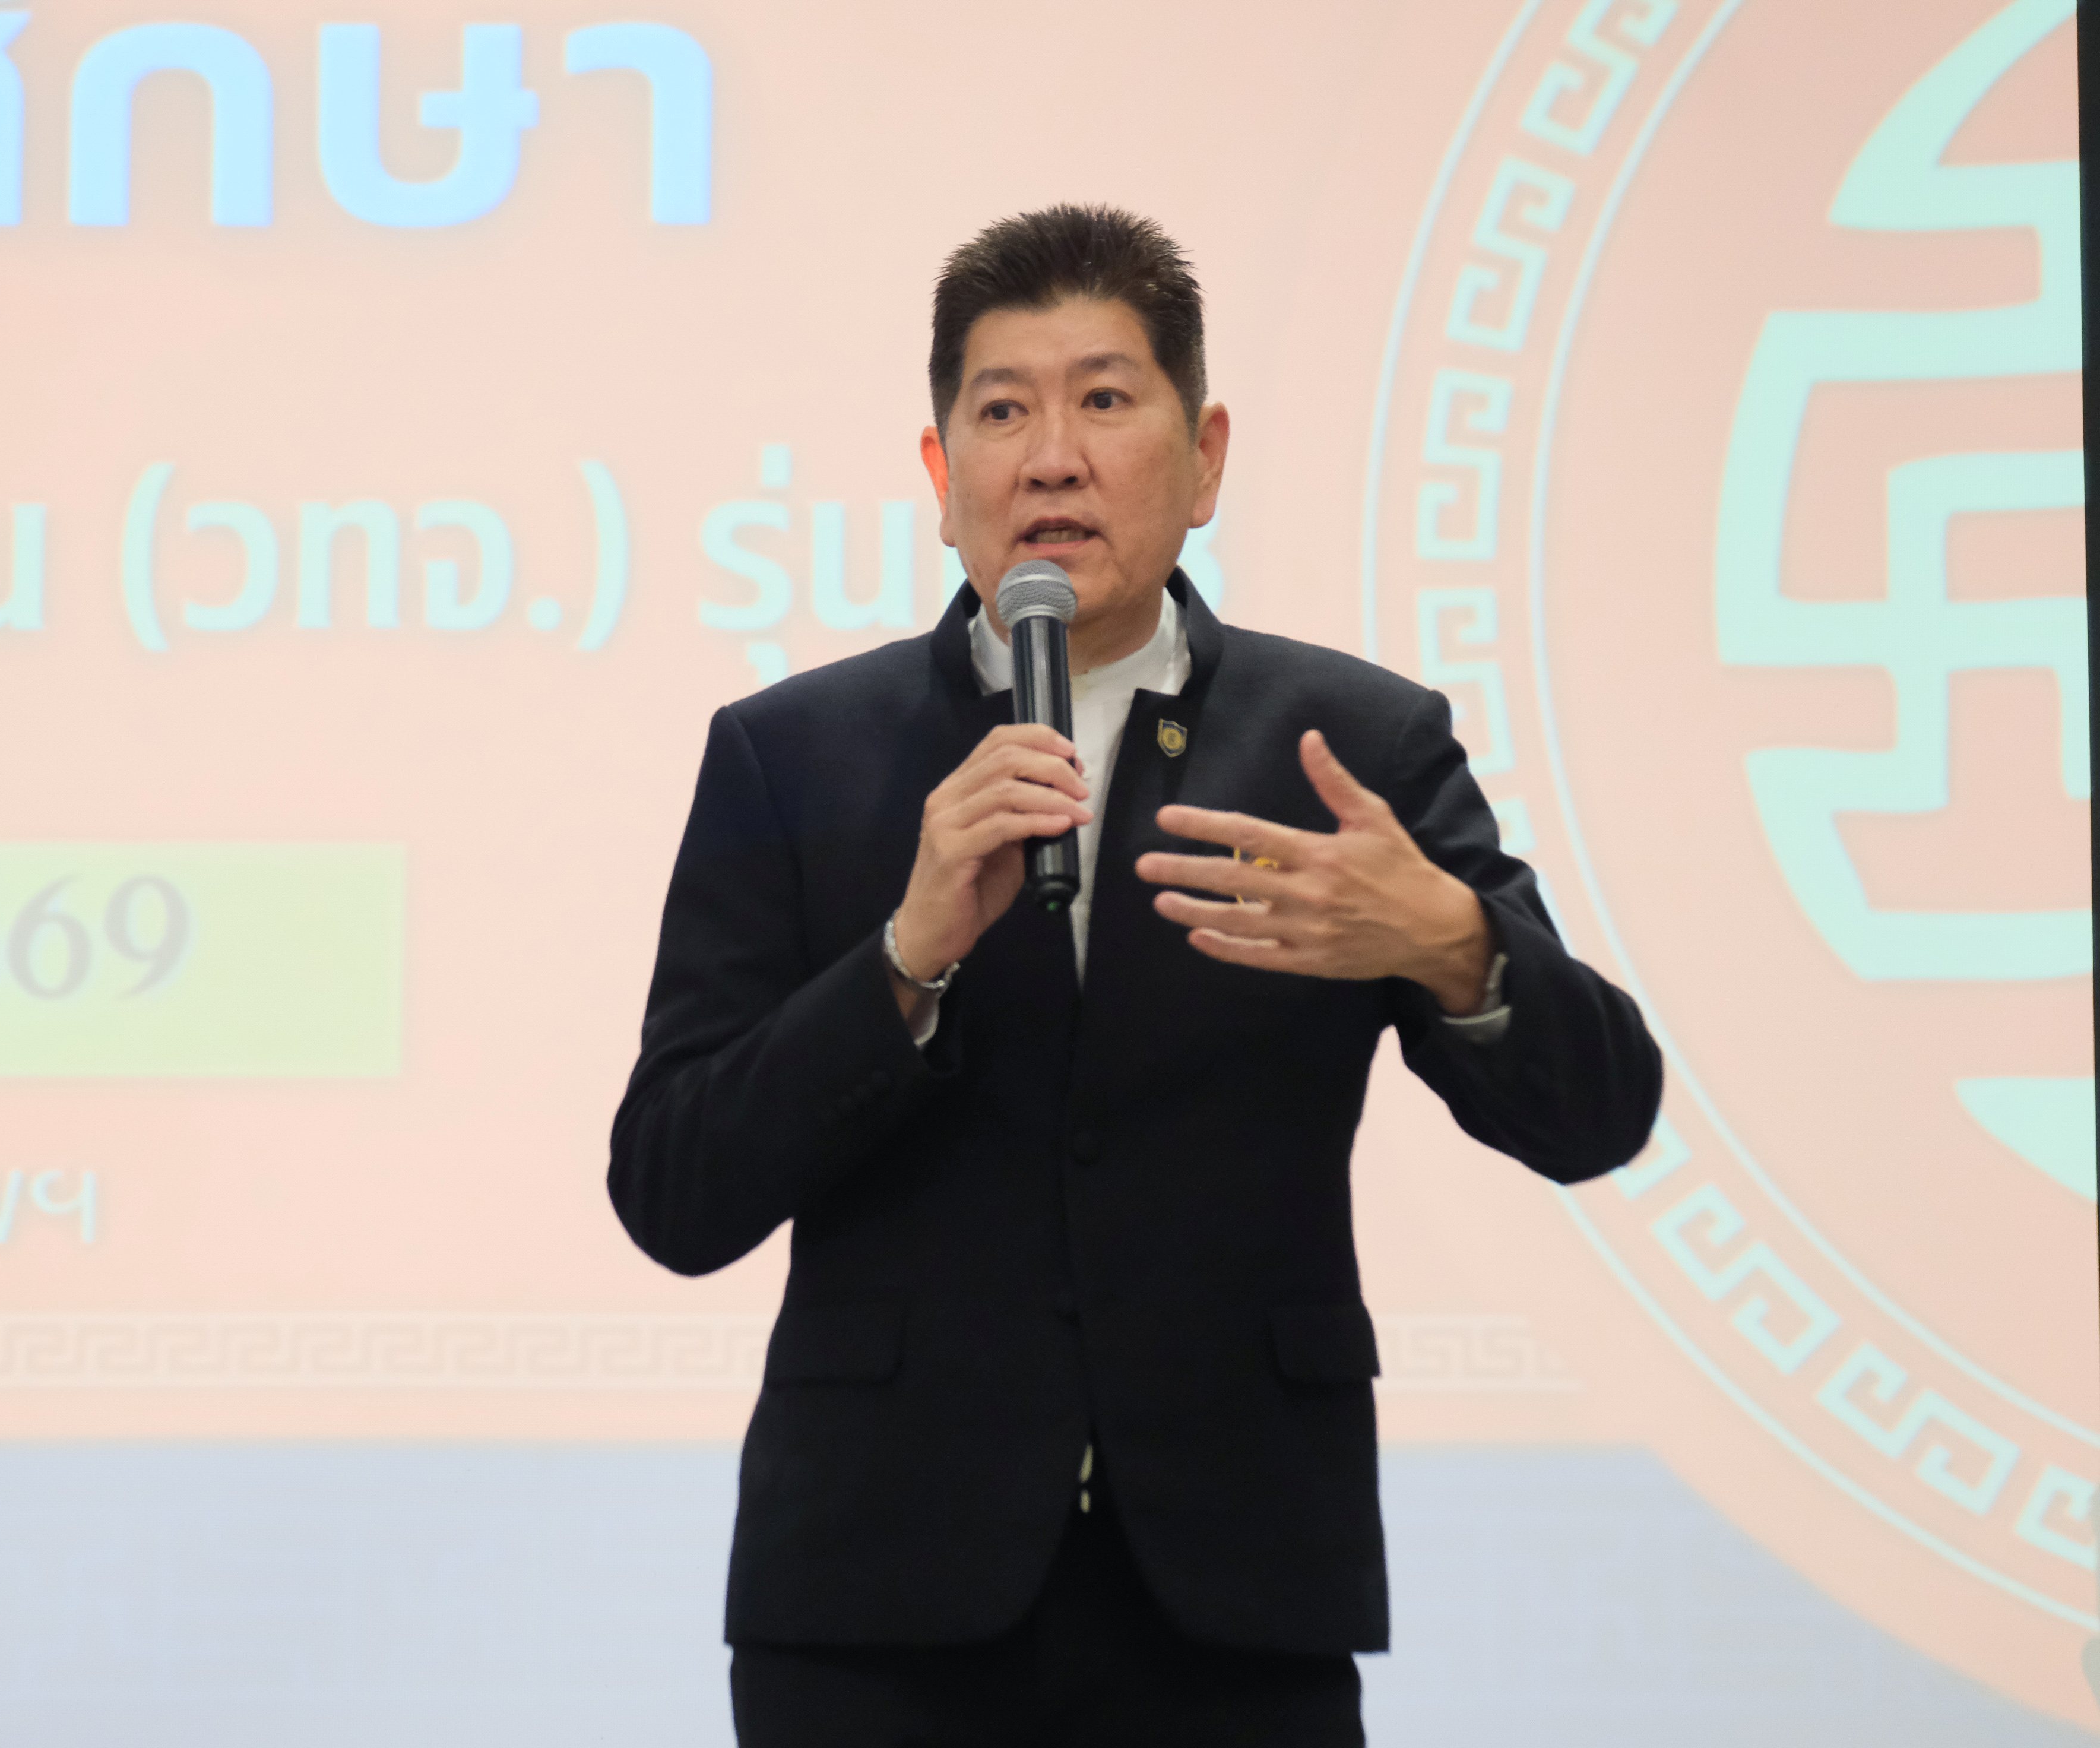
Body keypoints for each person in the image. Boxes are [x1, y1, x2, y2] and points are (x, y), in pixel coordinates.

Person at [608, 204, 1662, 1746]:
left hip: (1235, 1597)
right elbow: (673, 1190)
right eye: (1002, 412)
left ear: (1206, 455)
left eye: (1104, 399)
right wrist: (903, 961)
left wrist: (1450, 944)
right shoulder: (797, 758)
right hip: (878, 1607)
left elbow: (1601, 1111)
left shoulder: (1353, 749)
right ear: (939, 473)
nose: (1053, 459)